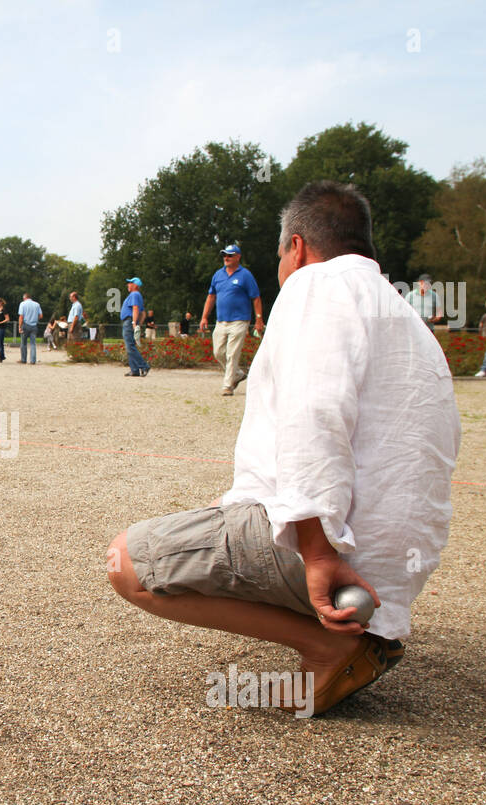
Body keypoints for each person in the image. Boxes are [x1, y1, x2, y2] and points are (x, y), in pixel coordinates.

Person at [107, 180, 460, 717]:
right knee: (220, 517)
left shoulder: (315, 286)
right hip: (394, 566)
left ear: (296, 246)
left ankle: (331, 645)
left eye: (279, 254)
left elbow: (315, 417)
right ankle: (351, 629)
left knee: (128, 563)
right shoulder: (403, 312)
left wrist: (318, 553)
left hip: (343, 557)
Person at [200, 244, 263, 396]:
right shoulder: (218, 275)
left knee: (232, 353)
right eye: (224, 255)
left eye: (230, 255)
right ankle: (238, 374)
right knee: (218, 352)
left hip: (240, 320)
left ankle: (228, 386)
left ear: (238, 257)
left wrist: (259, 319)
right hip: (221, 320)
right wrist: (204, 317)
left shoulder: (245, 275)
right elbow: (211, 297)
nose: (226, 258)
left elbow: (255, 298)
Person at [119, 277, 149, 377]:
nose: (128, 285)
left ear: (135, 285)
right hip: (131, 321)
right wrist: (139, 324)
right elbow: (143, 313)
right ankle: (134, 369)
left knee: (130, 346)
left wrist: (133, 323)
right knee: (130, 346)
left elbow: (135, 309)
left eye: (130, 283)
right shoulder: (138, 295)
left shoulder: (134, 294)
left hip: (129, 321)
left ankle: (144, 366)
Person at [17, 293, 42, 364]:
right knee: (33, 344)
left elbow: (21, 316)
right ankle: (33, 360)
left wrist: (19, 327)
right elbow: (41, 316)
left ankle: (23, 359)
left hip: (25, 325)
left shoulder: (22, 304)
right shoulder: (37, 304)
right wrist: (35, 319)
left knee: (23, 343)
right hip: (34, 325)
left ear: (24, 298)